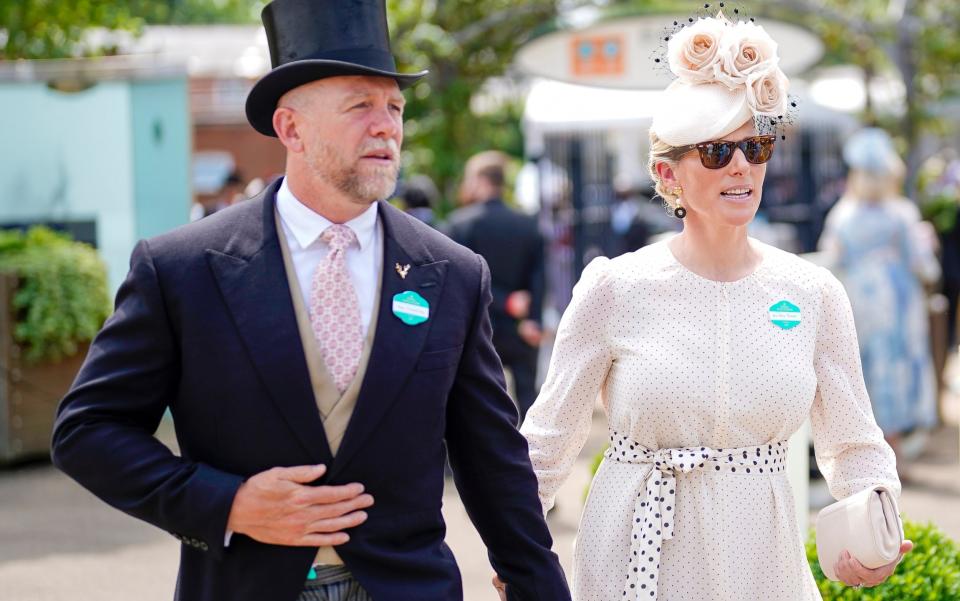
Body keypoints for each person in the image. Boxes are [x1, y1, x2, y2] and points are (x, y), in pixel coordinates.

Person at [51, 1, 570, 601]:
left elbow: (491, 458)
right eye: (360, 106)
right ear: (291, 128)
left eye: (394, 107)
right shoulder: (182, 269)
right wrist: (231, 505)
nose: (387, 126)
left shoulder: (451, 272)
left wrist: (540, 586)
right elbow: (88, 431)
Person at [517, 12, 911, 600]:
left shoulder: (812, 292)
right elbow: (546, 442)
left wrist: (876, 528)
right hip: (632, 550)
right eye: (714, 152)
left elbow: (854, 443)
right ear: (666, 175)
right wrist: (513, 548)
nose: (740, 167)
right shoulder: (615, 287)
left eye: (755, 147)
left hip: (763, 560)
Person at [818, 127, 941, 476]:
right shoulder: (899, 213)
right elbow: (921, 263)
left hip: (858, 299)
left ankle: (870, 456)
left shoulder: (844, 214)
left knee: (863, 370)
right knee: (897, 370)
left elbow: (831, 257)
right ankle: (895, 450)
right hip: (897, 302)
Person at [444, 151, 546, 421]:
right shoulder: (528, 224)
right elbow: (540, 276)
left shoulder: (459, 225)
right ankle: (532, 461)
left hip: (478, 328)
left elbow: (459, 279)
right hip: (522, 328)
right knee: (529, 400)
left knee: (481, 404)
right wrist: (533, 318)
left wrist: (502, 302)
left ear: (480, 180)